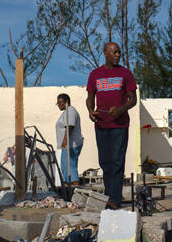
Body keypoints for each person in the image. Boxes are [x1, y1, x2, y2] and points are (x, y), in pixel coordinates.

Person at [86, 42, 137, 209]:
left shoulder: (125, 73)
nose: (117, 55)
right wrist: (90, 110)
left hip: (119, 125)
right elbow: (90, 97)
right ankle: (109, 196)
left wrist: (121, 109)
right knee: (105, 162)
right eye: (114, 52)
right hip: (101, 125)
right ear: (105, 54)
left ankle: (114, 199)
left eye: (118, 52)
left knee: (116, 161)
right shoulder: (95, 74)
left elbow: (133, 99)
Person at [55, 93, 83, 186]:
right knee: (65, 168)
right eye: (58, 103)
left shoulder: (70, 111)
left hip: (71, 145)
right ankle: (66, 189)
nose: (59, 104)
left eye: (60, 102)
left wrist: (65, 141)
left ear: (66, 102)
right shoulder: (66, 112)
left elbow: (70, 126)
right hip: (67, 145)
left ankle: (75, 189)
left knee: (70, 167)